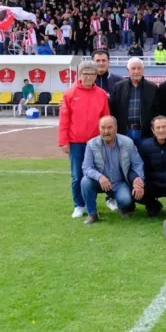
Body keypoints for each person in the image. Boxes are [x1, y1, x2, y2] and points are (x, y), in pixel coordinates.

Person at [59, 61, 111, 218]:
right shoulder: (69, 94)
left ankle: (92, 204)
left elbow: (106, 118)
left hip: (97, 142)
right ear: (79, 75)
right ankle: (79, 205)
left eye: (92, 74)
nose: (88, 77)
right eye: (85, 74)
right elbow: (64, 119)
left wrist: (107, 138)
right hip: (76, 142)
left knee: (97, 174)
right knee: (77, 175)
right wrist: (64, 141)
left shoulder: (101, 94)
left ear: (96, 75)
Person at [80, 116, 145, 224]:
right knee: (85, 182)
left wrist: (139, 181)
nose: (106, 131)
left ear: (116, 128)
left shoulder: (128, 142)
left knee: (125, 200)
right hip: (100, 182)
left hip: (119, 182)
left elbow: (138, 164)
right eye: (103, 128)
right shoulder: (91, 144)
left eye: (109, 128)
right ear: (99, 128)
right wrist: (99, 177)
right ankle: (92, 214)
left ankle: (122, 207)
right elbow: (86, 167)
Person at [109, 57, 159, 148]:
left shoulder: (152, 88)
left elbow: (157, 111)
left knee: (144, 160)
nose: (136, 71)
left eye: (139, 68)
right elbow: (113, 111)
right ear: (128, 70)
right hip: (124, 132)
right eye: (133, 68)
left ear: (143, 70)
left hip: (145, 133)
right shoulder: (118, 87)